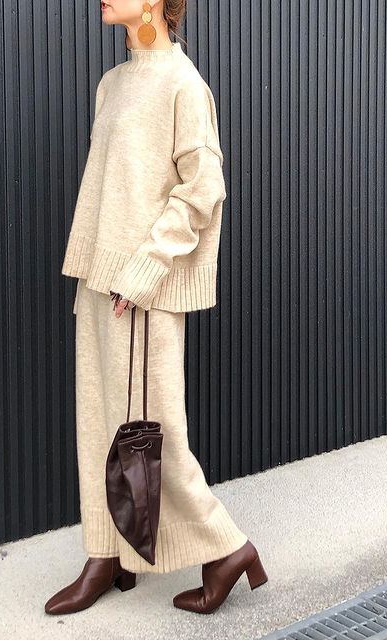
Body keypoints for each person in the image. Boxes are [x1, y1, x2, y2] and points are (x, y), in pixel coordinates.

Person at [45, 0, 268, 615]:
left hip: (143, 287)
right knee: (99, 422)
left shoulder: (183, 84)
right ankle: (107, 552)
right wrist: (100, 268)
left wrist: (143, 270)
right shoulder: (113, 83)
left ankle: (227, 548)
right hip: (100, 278)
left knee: (151, 433)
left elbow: (203, 187)